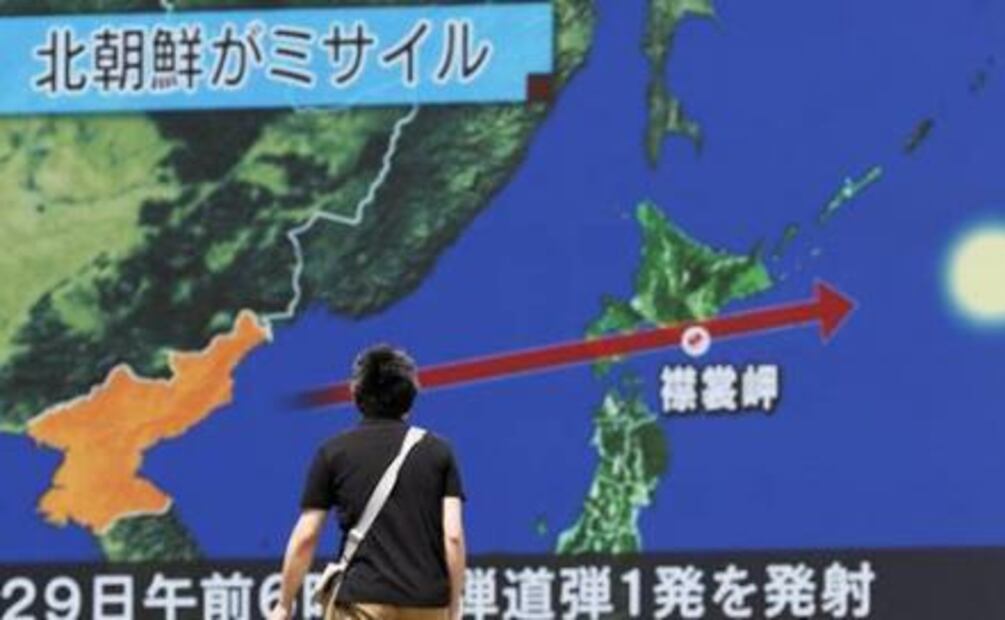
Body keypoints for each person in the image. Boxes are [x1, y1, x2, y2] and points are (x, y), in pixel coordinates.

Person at [269, 345, 467, 620]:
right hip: (427, 603)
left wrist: (284, 603)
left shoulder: (333, 452)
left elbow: (306, 536)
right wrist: (454, 606)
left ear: (355, 393)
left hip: (362, 599)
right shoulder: (438, 451)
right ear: (410, 396)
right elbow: (453, 537)